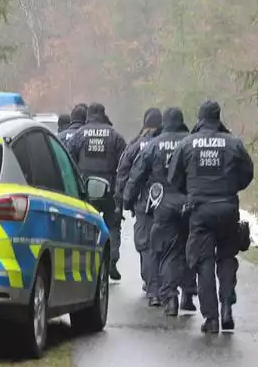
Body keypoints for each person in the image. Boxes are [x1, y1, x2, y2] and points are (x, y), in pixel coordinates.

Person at [167, 100, 253, 333]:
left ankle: (212, 319)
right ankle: (227, 306)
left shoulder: (187, 144)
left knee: (202, 263)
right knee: (226, 258)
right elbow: (248, 174)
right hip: (227, 209)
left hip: (200, 211)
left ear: (200, 117)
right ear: (218, 117)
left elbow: (174, 178)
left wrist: (192, 192)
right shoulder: (234, 143)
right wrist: (229, 188)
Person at [129, 107, 199, 315]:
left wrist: (128, 200)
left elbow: (137, 174)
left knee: (168, 251)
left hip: (164, 203)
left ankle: (170, 299)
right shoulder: (192, 141)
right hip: (188, 202)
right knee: (188, 248)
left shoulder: (154, 144)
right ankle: (188, 292)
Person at [74, 103, 128, 281]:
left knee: (83, 225)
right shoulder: (115, 136)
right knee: (112, 224)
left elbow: (69, 160)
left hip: (84, 191)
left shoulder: (79, 135)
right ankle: (111, 260)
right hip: (110, 190)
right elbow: (125, 163)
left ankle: (83, 263)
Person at [119, 108, 164, 302]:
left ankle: (151, 284)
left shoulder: (135, 145)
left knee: (145, 245)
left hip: (143, 202)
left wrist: (124, 200)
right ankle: (164, 285)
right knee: (165, 244)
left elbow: (124, 173)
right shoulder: (169, 143)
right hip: (167, 202)